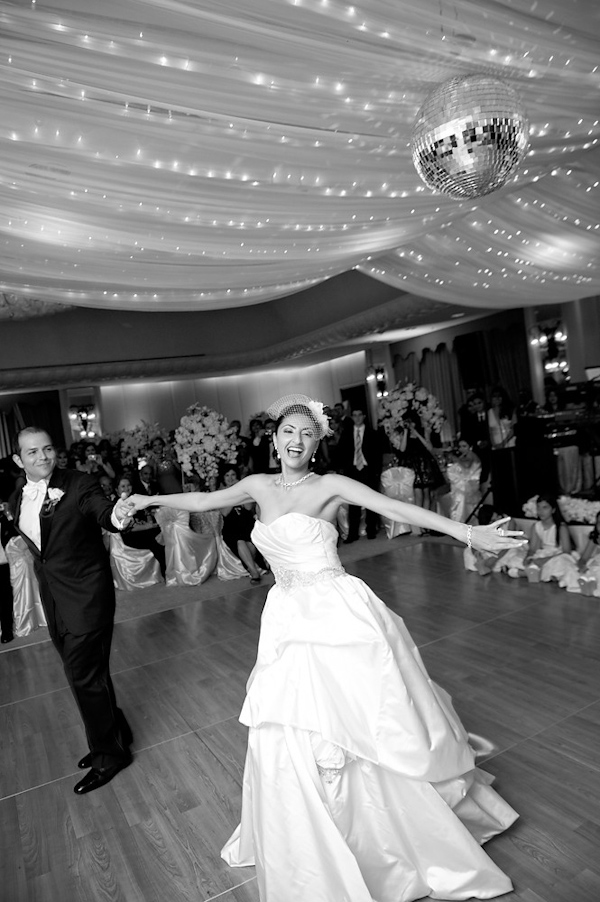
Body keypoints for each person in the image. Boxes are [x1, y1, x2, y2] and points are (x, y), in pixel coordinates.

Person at [127, 394, 524, 902]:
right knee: (292, 721)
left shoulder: (330, 486)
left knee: (361, 717)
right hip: (287, 615)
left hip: (337, 612)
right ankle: (308, 834)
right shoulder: (256, 486)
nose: (296, 441)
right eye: (288, 432)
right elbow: (204, 500)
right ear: (274, 439)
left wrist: (467, 532)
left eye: (306, 434)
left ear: (316, 444)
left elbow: (393, 506)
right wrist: (149, 500)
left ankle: (387, 835)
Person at [10, 427, 134, 793]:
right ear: (19, 460)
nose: (42, 457)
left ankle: (109, 755)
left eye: (47, 449)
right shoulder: (18, 492)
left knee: (84, 675)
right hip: (55, 596)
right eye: (32, 453)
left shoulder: (78, 483)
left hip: (86, 596)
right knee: (87, 673)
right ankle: (114, 732)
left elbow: (103, 512)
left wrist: (118, 515)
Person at [494, 492, 573, 581]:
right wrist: (528, 558)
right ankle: (536, 573)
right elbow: (533, 549)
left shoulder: (561, 527)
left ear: (553, 510)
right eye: (538, 507)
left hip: (557, 556)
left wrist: (544, 560)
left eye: (545, 508)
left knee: (561, 564)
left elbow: (566, 552)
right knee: (516, 560)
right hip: (542, 553)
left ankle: (524, 573)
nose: (541, 511)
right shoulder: (536, 526)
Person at [337, 407, 383, 541]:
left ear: (363, 416)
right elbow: (342, 453)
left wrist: (376, 472)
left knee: (371, 501)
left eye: (359, 415)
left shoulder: (372, 433)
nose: (357, 418)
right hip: (353, 471)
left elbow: (377, 455)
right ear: (352, 417)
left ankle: (371, 530)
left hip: (368, 470)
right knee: (353, 502)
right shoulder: (346, 433)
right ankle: (353, 533)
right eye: (354, 415)